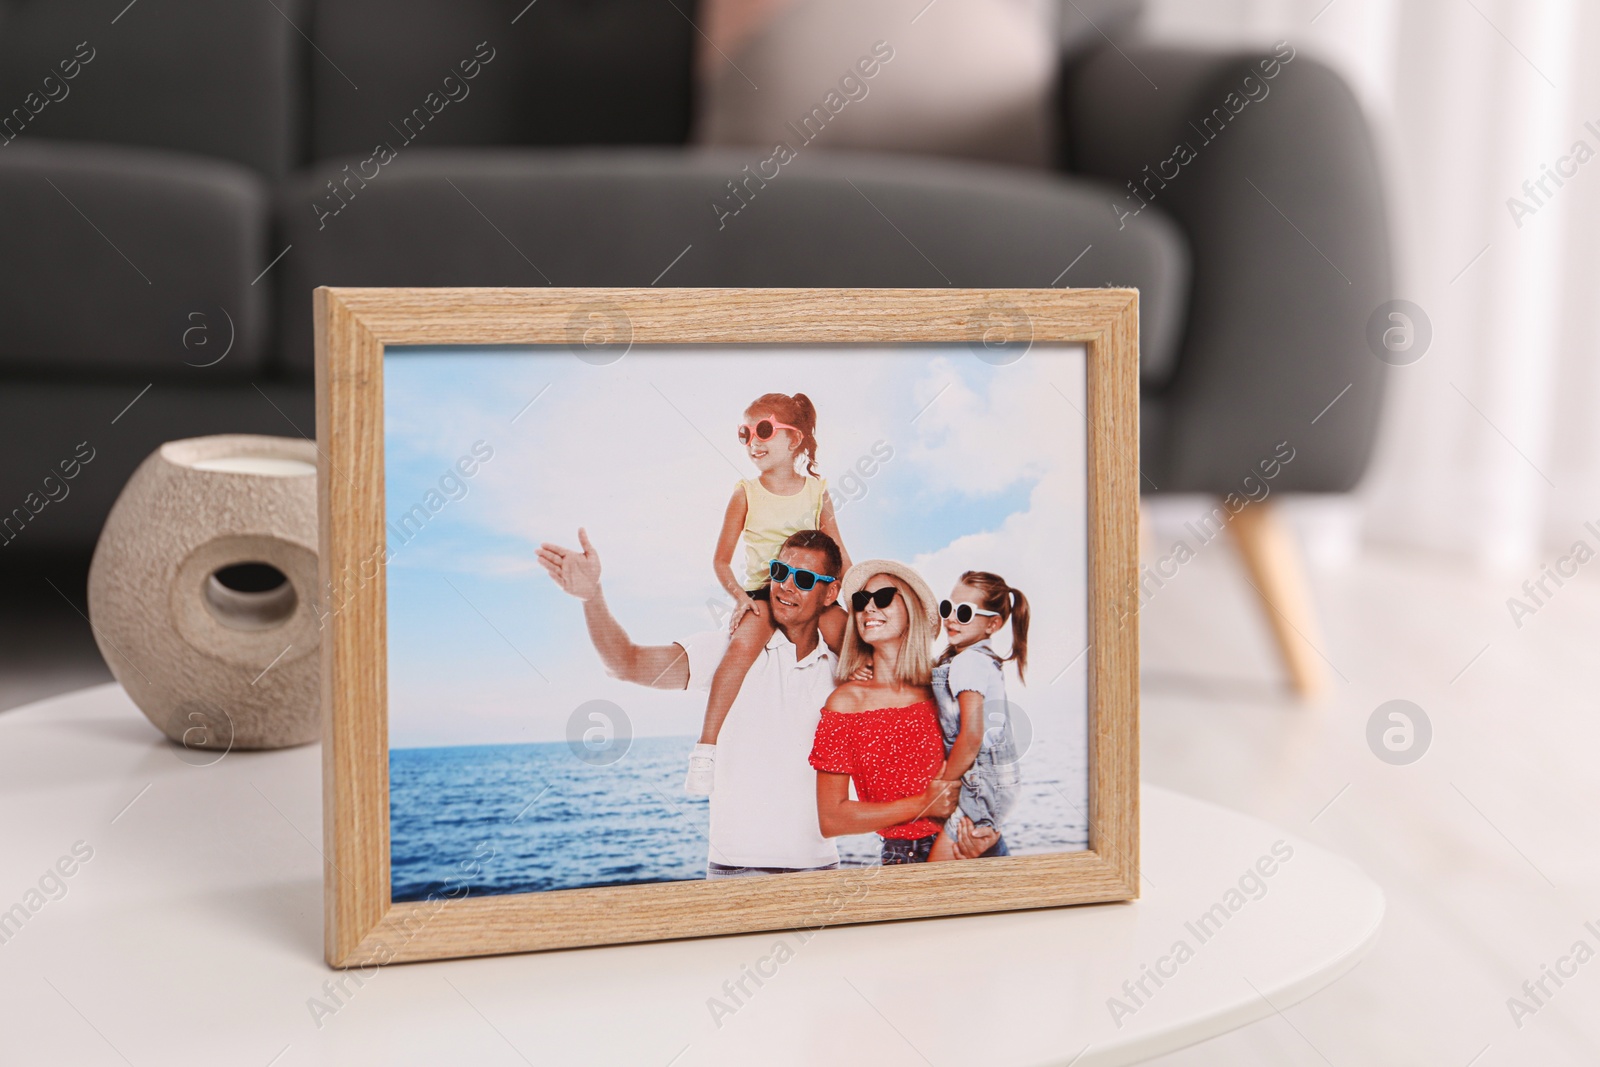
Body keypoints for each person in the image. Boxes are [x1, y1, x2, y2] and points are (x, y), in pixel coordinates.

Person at [537, 529, 945, 878]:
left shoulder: (850, 670)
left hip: (819, 872)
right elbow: (626, 662)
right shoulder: (727, 650)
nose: (785, 585)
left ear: (830, 593)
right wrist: (591, 597)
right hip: (734, 871)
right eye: (780, 572)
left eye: (803, 578)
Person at [686, 392, 851, 797]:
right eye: (744, 434)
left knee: (851, 638)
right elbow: (721, 561)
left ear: (794, 439)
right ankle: (704, 752)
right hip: (764, 590)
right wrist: (740, 598)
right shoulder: (745, 492)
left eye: (763, 430)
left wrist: (855, 596)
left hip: (810, 590)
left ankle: (863, 738)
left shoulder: (817, 491)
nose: (752, 442)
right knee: (740, 650)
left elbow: (840, 554)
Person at [810, 560, 966, 865]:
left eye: (882, 598)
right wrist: (923, 804)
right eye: (861, 601)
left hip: (970, 847)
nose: (868, 608)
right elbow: (832, 819)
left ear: (911, 611)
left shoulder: (945, 687)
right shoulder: (846, 703)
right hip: (907, 858)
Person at [926, 571, 1028, 862]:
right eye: (948, 608)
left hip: (981, 784)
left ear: (993, 624)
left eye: (965, 612)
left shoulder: (969, 662)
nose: (952, 618)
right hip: (995, 784)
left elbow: (971, 737)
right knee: (971, 860)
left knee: (934, 877)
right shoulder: (973, 659)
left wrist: (942, 785)